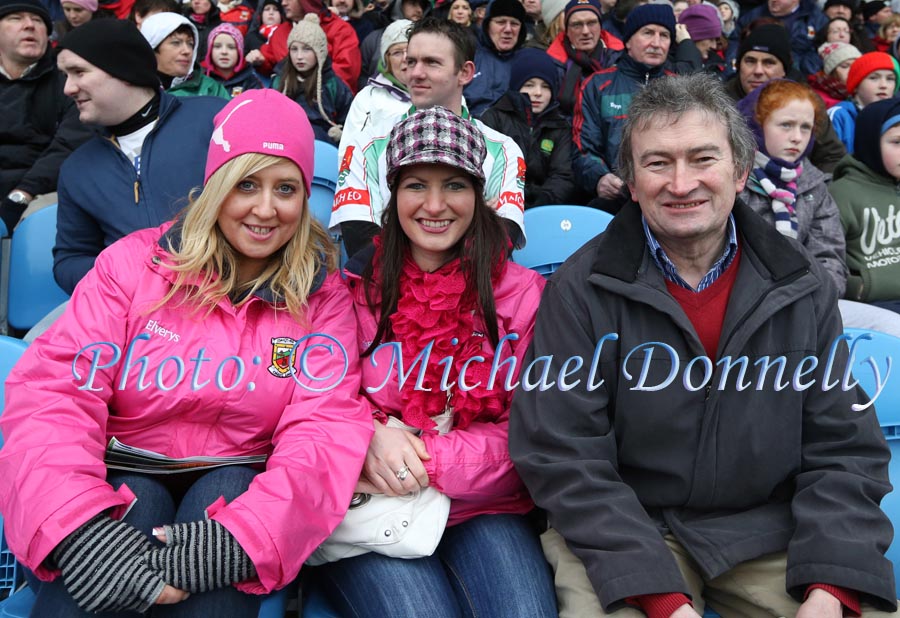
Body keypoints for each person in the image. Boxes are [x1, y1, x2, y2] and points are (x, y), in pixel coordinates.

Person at [509, 72, 897, 618]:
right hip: (626, 533)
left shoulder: (799, 281)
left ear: (741, 172)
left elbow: (843, 447)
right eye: (658, 162)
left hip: (768, 530)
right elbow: (562, 454)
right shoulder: (581, 287)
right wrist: (662, 600)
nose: (681, 182)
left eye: (702, 159)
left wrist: (831, 586)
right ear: (632, 180)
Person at [0, 88, 373, 617]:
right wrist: (77, 528)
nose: (265, 210)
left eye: (285, 188)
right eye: (246, 184)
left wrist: (244, 540)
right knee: (133, 507)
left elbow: (323, 428)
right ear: (216, 185)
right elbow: (56, 394)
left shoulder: (322, 294)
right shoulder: (133, 265)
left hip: (241, 475)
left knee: (224, 497)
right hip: (122, 463)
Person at [318, 105, 557, 618]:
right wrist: (370, 434)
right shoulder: (351, 290)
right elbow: (320, 399)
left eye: (454, 185)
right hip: (373, 501)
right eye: (415, 185)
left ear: (479, 196)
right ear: (392, 195)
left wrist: (432, 460)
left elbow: (536, 429)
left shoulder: (525, 297)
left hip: (483, 505)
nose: (434, 204)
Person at [330, 17, 527, 259]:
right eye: (411, 61)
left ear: (465, 72)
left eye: (431, 63)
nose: (415, 73)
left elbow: (499, 244)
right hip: (391, 292)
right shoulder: (366, 145)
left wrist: (399, 229)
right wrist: (475, 221)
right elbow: (361, 244)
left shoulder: (504, 150)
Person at [53, 19, 225, 294]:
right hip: (129, 311)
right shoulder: (77, 168)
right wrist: (128, 273)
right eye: (66, 75)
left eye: (78, 72)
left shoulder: (214, 120)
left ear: (122, 69)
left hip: (226, 300)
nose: (68, 88)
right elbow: (70, 259)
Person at [572, 3, 701, 212]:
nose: (656, 43)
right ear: (628, 41)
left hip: (670, 199)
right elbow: (583, 148)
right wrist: (599, 177)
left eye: (664, 35)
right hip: (615, 202)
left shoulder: (681, 88)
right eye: (648, 33)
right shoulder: (597, 85)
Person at [736, 79, 848, 297]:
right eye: (786, 125)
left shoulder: (815, 186)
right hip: (743, 303)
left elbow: (829, 257)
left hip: (808, 300)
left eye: (805, 127)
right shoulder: (733, 180)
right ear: (756, 126)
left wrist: (812, 301)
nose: (797, 137)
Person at [0, 0, 92, 235]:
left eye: (38, 20)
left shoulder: (68, 82)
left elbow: (71, 143)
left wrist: (23, 193)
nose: (29, 25)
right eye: (15, 18)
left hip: (42, 196)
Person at [723, 23, 847, 173]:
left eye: (769, 63)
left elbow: (832, 156)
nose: (758, 71)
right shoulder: (718, 101)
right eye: (750, 61)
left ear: (784, 70)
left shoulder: (805, 103)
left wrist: (809, 189)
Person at [481, 47, 576, 207]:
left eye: (545, 86)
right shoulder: (494, 118)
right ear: (516, 86)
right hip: (499, 204)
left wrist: (542, 199)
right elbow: (486, 168)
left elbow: (562, 176)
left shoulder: (560, 126)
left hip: (544, 207)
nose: (538, 92)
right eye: (530, 85)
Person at [830, 97, 900, 313]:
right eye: (897, 142)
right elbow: (825, 257)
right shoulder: (841, 193)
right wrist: (858, 288)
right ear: (871, 142)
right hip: (871, 307)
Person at [245, 0, 360, 91]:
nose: (283, 3)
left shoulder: (340, 30)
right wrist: (260, 61)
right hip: (289, 106)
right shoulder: (280, 32)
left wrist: (305, 85)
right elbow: (270, 60)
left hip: (326, 106)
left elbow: (347, 71)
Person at [275, 13, 352, 144]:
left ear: (319, 53)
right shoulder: (279, 81)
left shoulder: (333, 85)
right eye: (294, 49)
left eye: (307, 49)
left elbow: (351, 120)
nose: (299, 56)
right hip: (285, 145)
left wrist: (341, 134)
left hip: (322, 147)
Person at [544, 0, 624, 116]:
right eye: (577, 25)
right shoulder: (551, 63)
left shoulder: (619, 57)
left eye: (591, 23)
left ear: (600, 26)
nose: (585, 31)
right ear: (566, 30)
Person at [340, 18, 411, 137]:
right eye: (397, 53)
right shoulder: (368, 98)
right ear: (386, 61)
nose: (405, 58)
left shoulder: (436, 95)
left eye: (410, 51)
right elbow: (352, 146)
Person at [141, 11, 231, 98]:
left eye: (190, 44)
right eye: (176, 43)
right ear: (152, 47)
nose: (187, 51)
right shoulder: (134, 89)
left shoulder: (212, 90)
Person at [463, 0, 528, 117]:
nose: (508, 29)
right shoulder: (469, 54)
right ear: (487, 25)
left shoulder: (528, 62)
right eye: (501, 22)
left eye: (514, 24)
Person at [828, 51, 899, 153]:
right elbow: (828, 159)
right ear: (856, 86)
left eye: (890, 79)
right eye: (873, 78)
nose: (884, 85)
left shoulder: (896, 120)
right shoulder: (839, 115)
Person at [738, 0, 829, 75]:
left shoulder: (816, 19)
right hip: (757, 74)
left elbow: (823, 48)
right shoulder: (753, 15)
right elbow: (735, 43)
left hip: (803, 78)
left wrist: (798, 70)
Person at [200, 22, 264, 96]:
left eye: (231, 47)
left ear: (239, 52)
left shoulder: (251, 82)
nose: (224, 52)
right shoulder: (200, 79)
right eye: (217, 46)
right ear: (210, 51)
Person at [808, 40, 861, 107]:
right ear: (831, 72)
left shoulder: (864, 92)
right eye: (845, 66)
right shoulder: (818, 101)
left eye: (857, 65)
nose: (852, 70)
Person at [678, 3, 725, 76]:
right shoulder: (670, 64)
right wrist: (687, 44)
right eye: (711, 39)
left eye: (716, 40)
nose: (714, 46)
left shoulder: (714, 64)